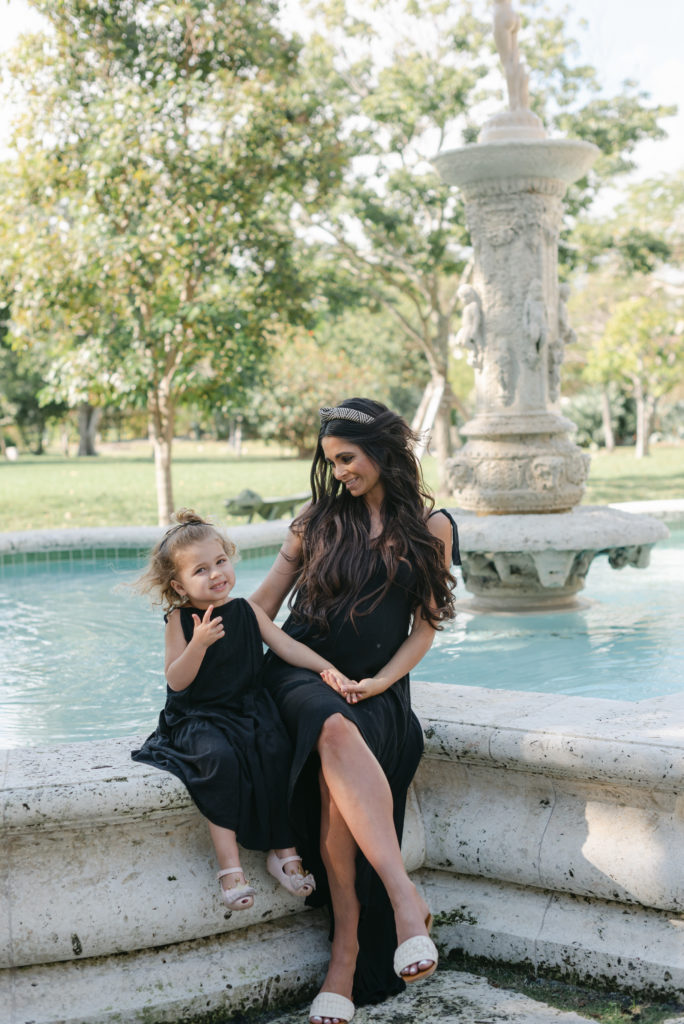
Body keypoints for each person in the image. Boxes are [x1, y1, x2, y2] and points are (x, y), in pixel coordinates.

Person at [250, 399, 459, 1024]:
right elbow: (259, 609)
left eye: (348, 458)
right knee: (331, 725)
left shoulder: (433, 525)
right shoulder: (316, 520)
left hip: (377, 690)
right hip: (299, 675)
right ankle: (402, 899)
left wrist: (378, 683)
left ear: (383, 451)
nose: (338, 471)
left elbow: (424, 630)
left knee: (340, 756)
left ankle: (345, 956)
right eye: (331, 461)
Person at [131, 509, 350, 911]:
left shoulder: (248, 611)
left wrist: (329, 669)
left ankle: (284, 851)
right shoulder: (180, 621)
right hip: (199, 717)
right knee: (219, 760)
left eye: (220, 562)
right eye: (201, 570)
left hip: (247, 710)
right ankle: (230, 867)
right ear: (179, 584)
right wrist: (198, 644)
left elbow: (287, 647)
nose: (216, 574)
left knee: (276, 748)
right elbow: (177, 681)